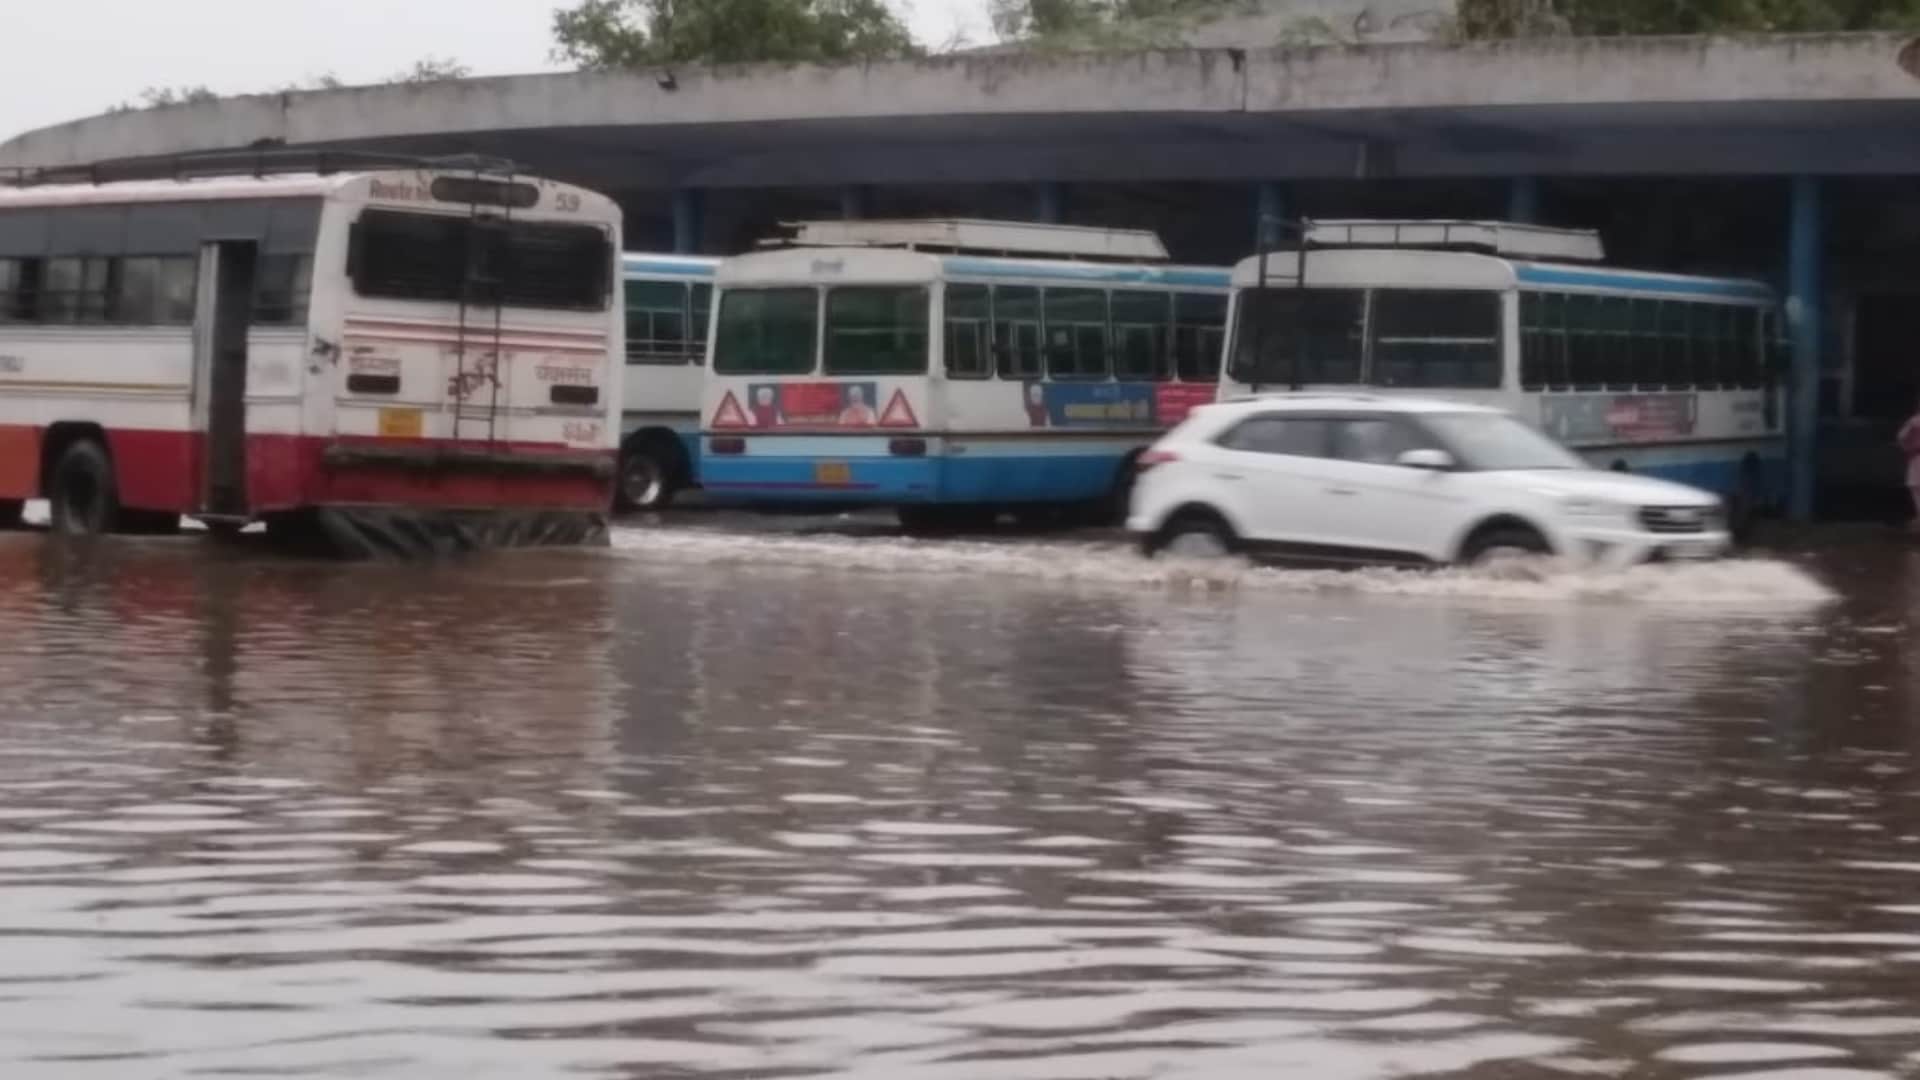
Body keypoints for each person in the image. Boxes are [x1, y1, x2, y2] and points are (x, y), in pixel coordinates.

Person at [1900, 394, 1920, 530]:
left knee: (1916, 487)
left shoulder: (1915, 421)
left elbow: (1902, 436)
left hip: (1918, 457)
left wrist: (1907, 448)